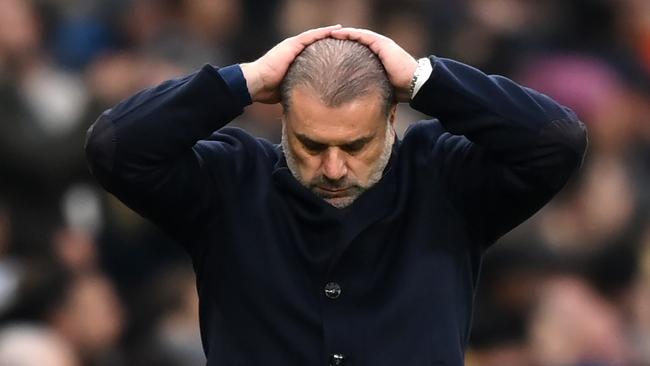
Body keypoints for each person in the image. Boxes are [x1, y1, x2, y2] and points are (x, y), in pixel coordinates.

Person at [85, 25, 587, 366]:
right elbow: (116, 147)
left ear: (393, 116)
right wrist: (245, 79)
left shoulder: (445, 177)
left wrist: (425, 79)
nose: (332, 167)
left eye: (355, 145)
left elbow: (555, 141)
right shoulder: (230, 180)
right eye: (310, 143)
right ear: (281, 117)